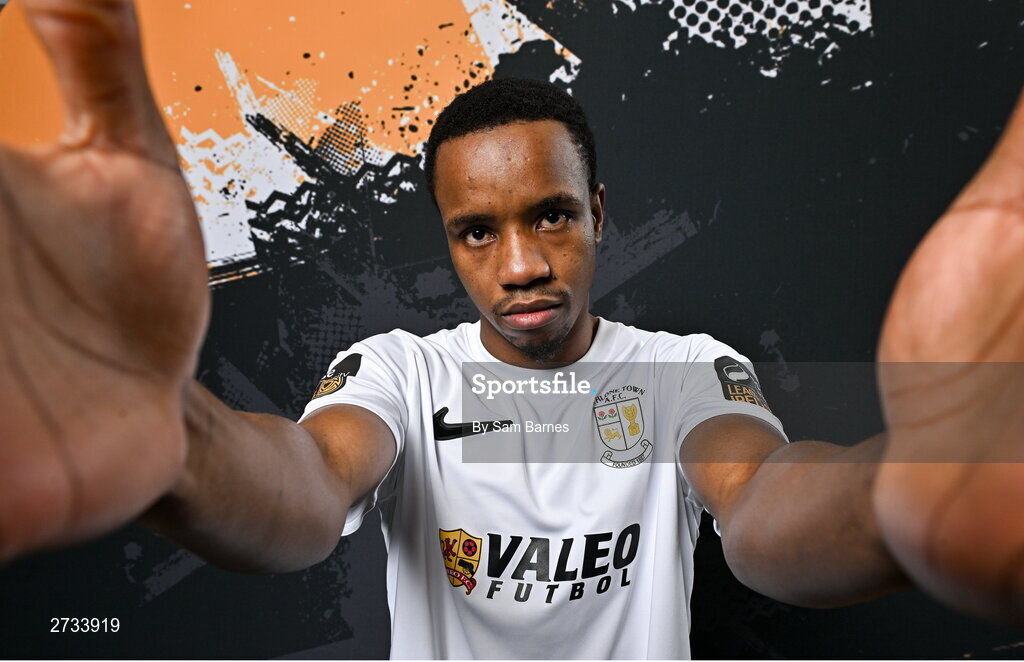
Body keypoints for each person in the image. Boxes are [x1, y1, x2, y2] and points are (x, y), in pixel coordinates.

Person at [0, 0, 1022, 657]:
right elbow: (305, 491)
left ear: (598, 214)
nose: (523, 263)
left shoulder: (685, 372)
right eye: (476, 232)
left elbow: (761, 508)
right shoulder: (399, 373)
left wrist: (896, 498)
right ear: (445, 244)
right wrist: (180, 435)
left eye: (550, 215)